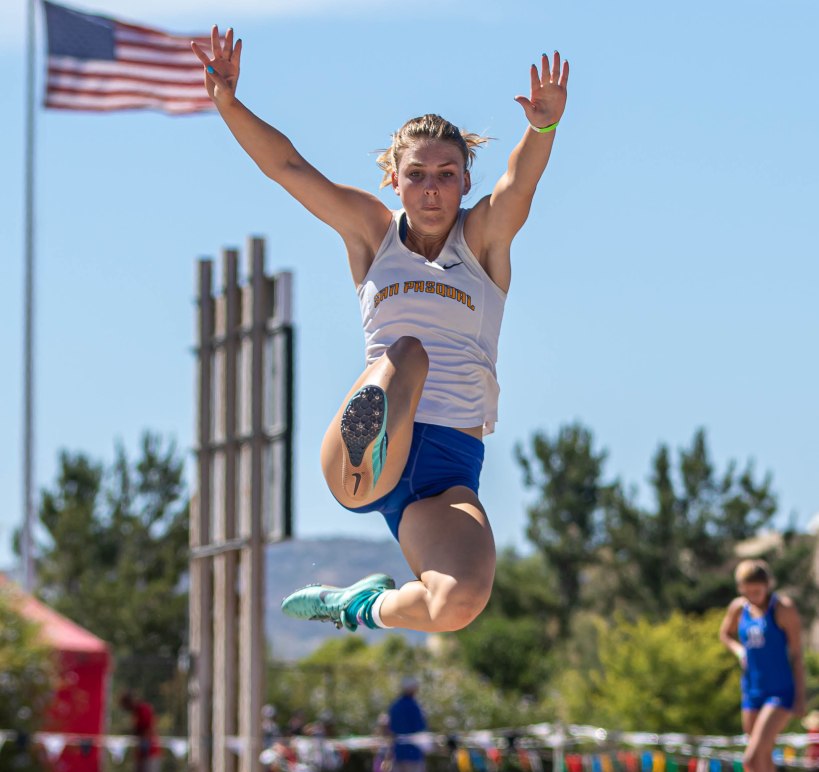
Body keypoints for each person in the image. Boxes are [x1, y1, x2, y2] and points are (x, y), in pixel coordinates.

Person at [192, 28, 569, 635]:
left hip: (446, 472)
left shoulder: (481, 242)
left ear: (465, 181)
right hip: (368, 457)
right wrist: (230, 104)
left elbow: (518, 185)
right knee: (409, 353)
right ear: (394, 179)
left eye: (446, 174)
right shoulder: (373, 233)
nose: (431, 189)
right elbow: (289, 167)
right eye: (416, 174)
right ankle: (368, 435)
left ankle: (358, 606)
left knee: (458, 604)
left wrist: (543, 126)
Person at [719, 559, 806, 772]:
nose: (753, 597)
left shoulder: (783, 609)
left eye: (757, 591)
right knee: (761, 763)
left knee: (751, 757)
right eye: (747, 592)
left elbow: (797, 654)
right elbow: (725, 634)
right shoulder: (738, 609)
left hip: (780, 693)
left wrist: (801, 697)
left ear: (768, 586)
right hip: (752, 693)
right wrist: (738, 650)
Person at [387, 677, 428, 772]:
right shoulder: (416, 707)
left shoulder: (394, 706)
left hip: (397, 750)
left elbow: (389, 728)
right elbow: (421, 728)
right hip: (413, 751)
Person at [119, 692, 161, 772]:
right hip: (140, 752)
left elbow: (147, 728)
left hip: (149, 751)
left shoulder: (143, 709)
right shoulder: (136, 712)